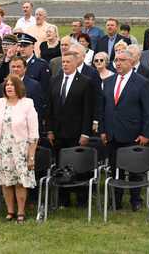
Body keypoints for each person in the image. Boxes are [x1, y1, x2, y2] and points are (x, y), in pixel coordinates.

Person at [99, 50, 149, 211]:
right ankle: (115, 200)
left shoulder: (141, 82)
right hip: (112, 134)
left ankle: (136, 200)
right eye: (116, 60)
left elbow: (148, 111)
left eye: (122, 60)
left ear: (131, 62)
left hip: (133, 134)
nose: (118, 63)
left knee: (135, 169)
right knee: (115, 169)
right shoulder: (108, 81)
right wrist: (102, 130)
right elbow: (103, 109)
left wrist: (145, 133)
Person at [46, 51, 94, 207]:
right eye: (63, 62)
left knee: (78, 166)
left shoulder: (85, 82)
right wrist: (50, 130)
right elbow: (50, 108)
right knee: (61, 165)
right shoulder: (54, 80)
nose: (64, 64)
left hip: (77, 132)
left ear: (75, 64)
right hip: (59, 132)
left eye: (68, 62)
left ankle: (81, 199)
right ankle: (63, 199)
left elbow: (88, 110)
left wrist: (85, 133)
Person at [0, 74, 39, 223]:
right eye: (7, 85)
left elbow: (34, 133)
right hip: (2, 148)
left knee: (19, 182)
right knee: (6, 181)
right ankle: (10, 211)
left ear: (18, 87)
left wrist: (31, 156)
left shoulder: (27, 104)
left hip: (21, 149)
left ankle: (21, 212)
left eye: (12, 85)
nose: (9, 87)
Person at [16, 32, 51, 97]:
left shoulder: (41, 65)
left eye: (25, 46)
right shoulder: (16, 63)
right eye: (20, 46)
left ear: (32, 47)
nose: (22, 49)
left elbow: (45, 89)